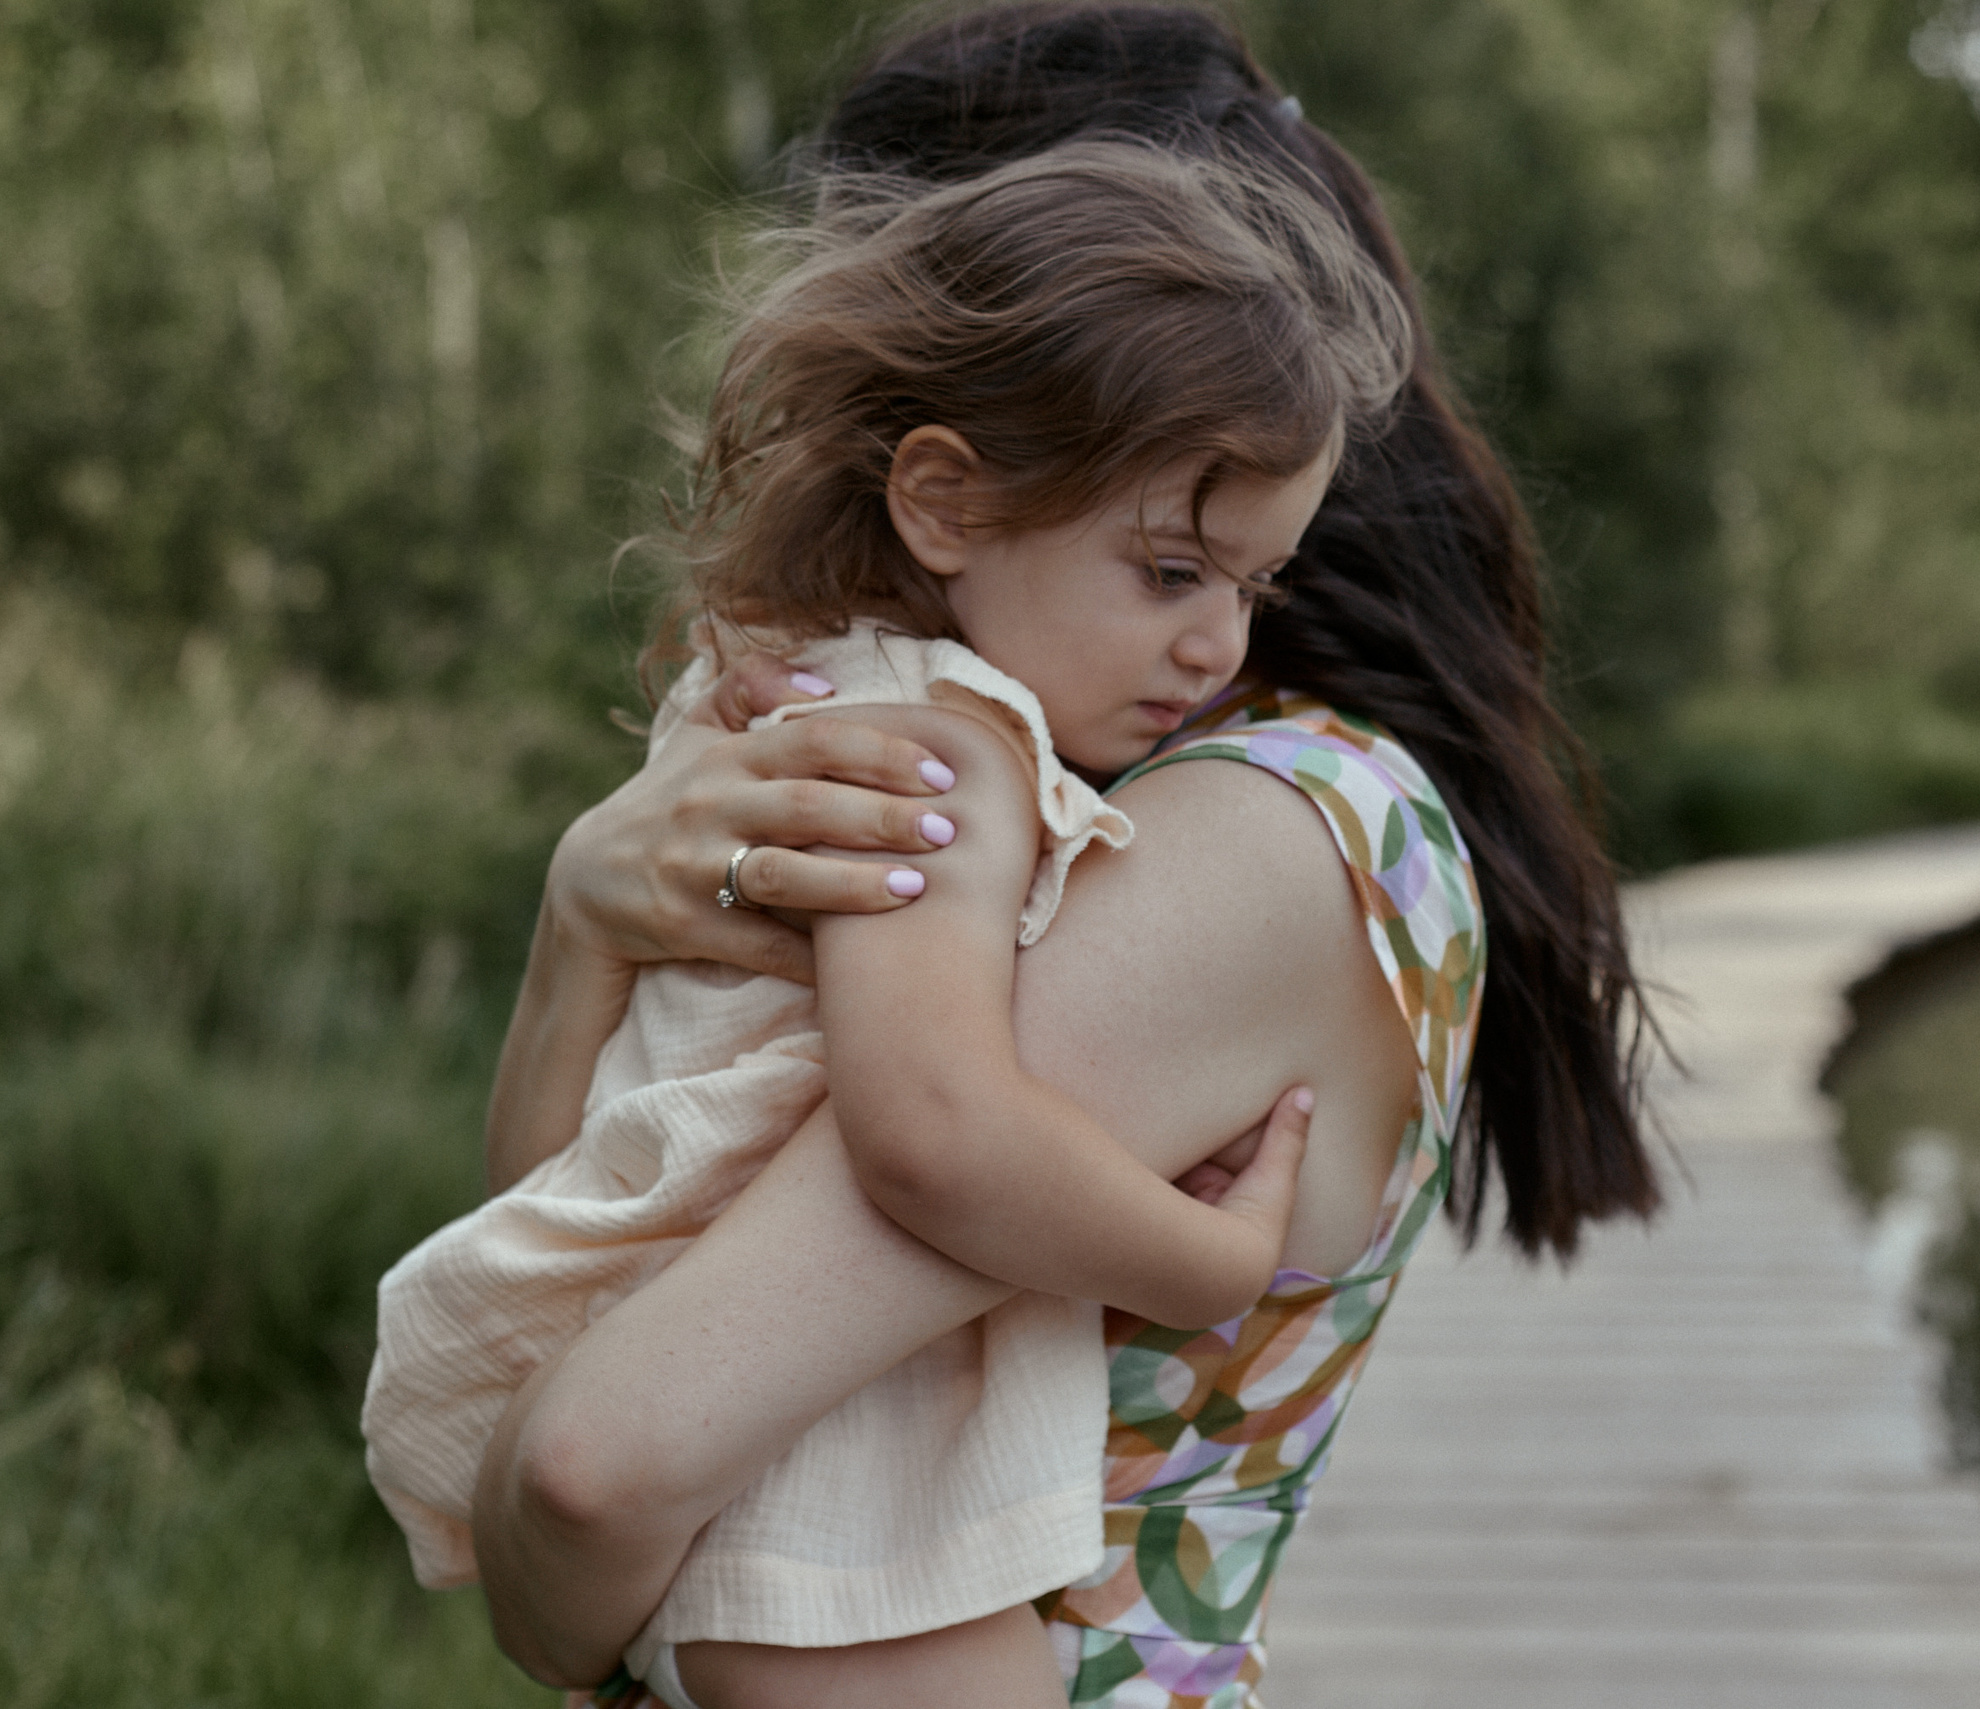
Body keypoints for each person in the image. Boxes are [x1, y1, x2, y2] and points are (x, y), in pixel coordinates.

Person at [472, 7, 1661, 1706]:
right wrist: (585, 927)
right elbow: (571, 1249)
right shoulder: (1012, 749)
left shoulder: (1253, 831)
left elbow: (588, 1453)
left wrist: (547, 1607)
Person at [367, 136, 1416, 1708]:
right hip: (851, 1545)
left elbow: (557, 1194)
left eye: (1255, 585)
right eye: (1172, 566)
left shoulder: (748, 714)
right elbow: (930, 1131)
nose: (1216, 642)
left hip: (729, 1542)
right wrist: (1206, 1258)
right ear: (943, 500)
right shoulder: (942, 755)